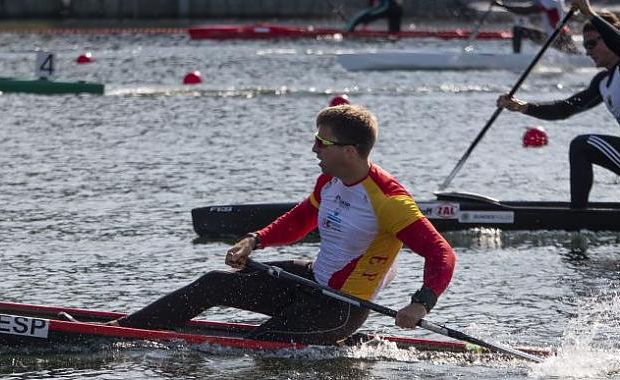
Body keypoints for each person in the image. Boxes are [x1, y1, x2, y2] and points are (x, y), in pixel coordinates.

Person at [108, 105, 456, 345]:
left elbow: (442, 255)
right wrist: (254, 240)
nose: (314, 148)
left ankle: (335, 341)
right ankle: (120, 331)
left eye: (323, 142)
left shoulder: (389, 201)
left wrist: (420, 304)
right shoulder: (330, 180)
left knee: (256, 347)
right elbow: (300, 220)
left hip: (341, 306)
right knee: (213, 283)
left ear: (350, 151)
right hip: (311, 280)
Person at [497, 0, 620, 208]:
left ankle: (577, 219)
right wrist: (522, 106)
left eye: (591, 44)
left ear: (609, 40)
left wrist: (590, 13)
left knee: (582, 146)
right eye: (585, 45)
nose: (587, 52)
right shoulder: (602, 83)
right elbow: (565, 109)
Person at [494, 0, 578, 54]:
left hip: (560, 38)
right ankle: (517, 57)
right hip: (550, 37)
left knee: (518, 29)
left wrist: (502, 6)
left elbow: (525, 11)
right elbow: (526, 6)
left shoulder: (551, 1)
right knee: (518, 29)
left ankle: (517, 58)